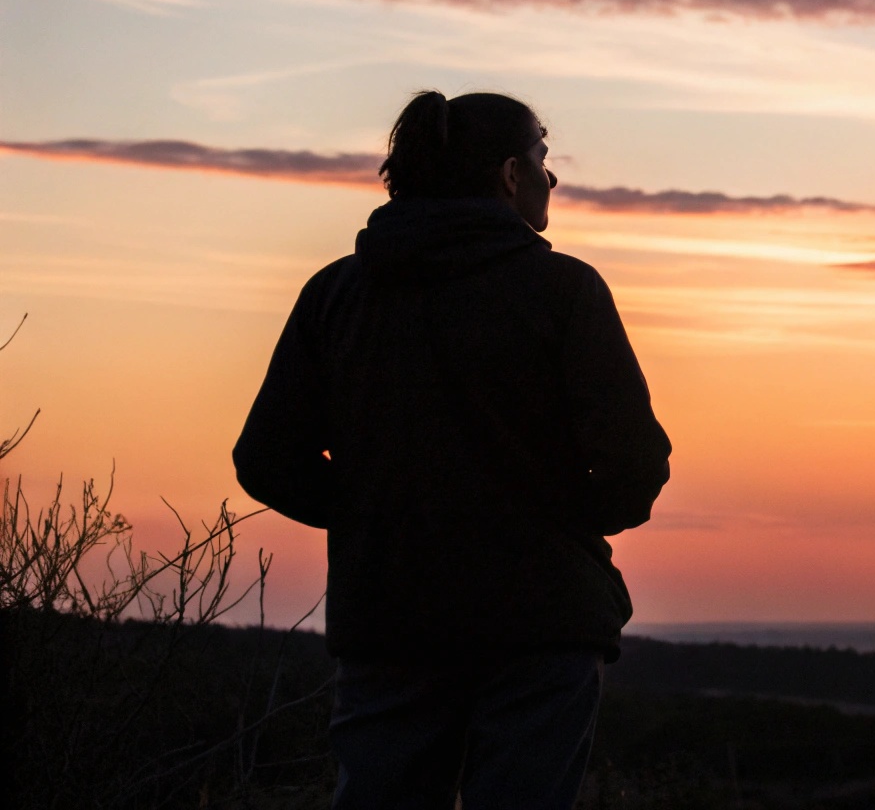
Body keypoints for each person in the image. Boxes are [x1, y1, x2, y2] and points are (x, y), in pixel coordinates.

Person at [234, 91, 670, 810]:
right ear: (508, 174)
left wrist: (378, 516)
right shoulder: (564, 292)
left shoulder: (335, 296)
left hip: (389, 621)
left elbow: (266, 459)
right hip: (541, 628)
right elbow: (634, 467)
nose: (550, 179)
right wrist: (557, 523)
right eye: (543, 158)